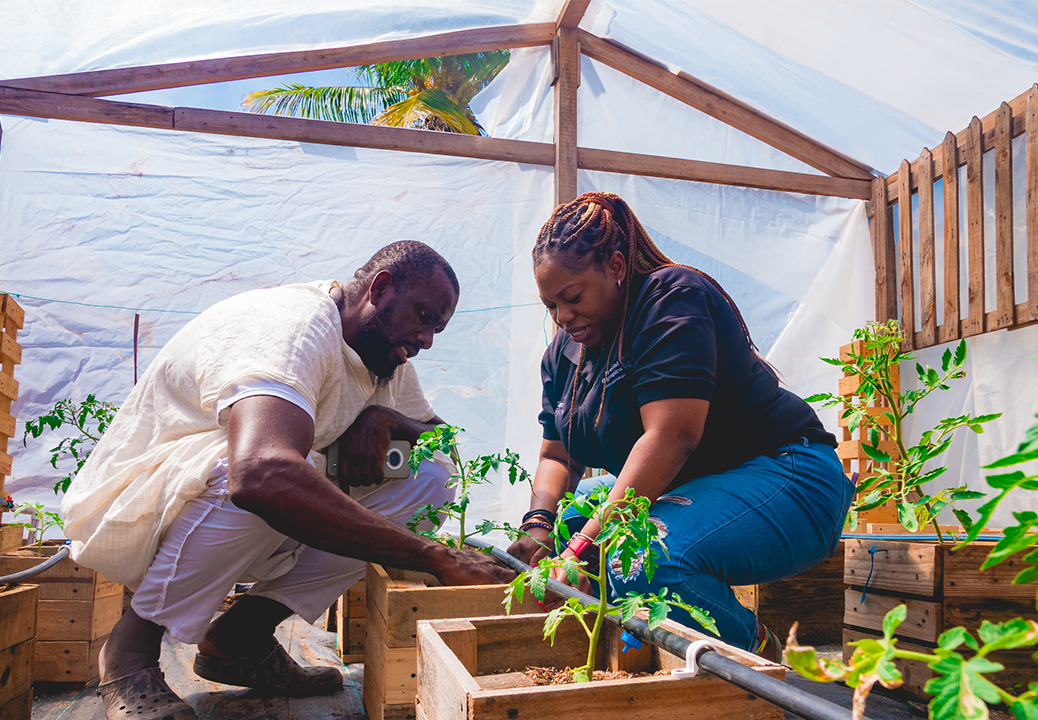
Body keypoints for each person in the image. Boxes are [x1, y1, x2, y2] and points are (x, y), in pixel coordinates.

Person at [60, 241, 514, 720]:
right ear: (380, 289)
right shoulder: (295, 328)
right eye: (423, 316)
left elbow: (443, 441)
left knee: (429, 478)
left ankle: (239, 642)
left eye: (436, 329)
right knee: (277, 472)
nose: (426, 340)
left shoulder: (385, 359)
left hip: (234, 519)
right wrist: (433, 555)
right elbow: (259, 474)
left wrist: (390, 419)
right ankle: (128, 658)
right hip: (140, 509)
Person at [507, 193, 853, 661]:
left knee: (638, 560)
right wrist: (539, 526)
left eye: (572, 298)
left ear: (614, 266)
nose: (562, 317)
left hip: (791, 477)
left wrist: (587, 546)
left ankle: (757, 651)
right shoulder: (565, 354)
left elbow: (671, 436)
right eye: (550, 305)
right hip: (704, 484)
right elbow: (557, 456)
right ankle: (629, 654)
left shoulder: (669, 299)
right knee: (563, 536)